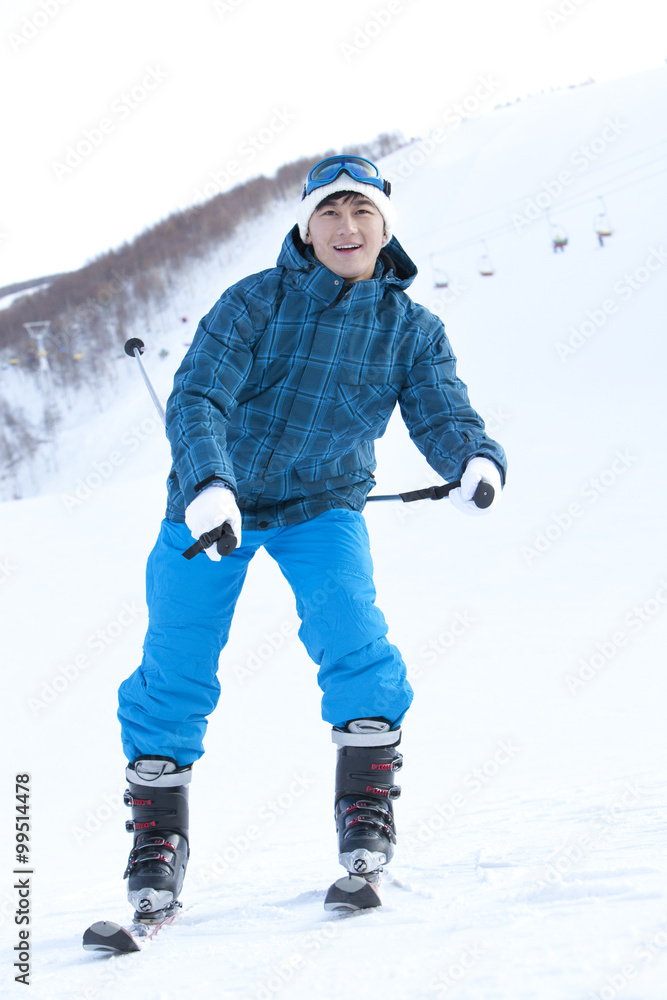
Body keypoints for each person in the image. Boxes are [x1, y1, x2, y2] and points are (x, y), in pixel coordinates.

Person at [117, 154, 507, 915]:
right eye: (328, 213)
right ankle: (157, 841)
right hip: (213, 509)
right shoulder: (254, 303)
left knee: (353, 634)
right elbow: (197, 396)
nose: (345, 227)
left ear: (384, 229)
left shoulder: (410, 331)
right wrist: (207, 484)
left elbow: (441, 409)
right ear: (306, 227)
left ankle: (364, 809)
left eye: (361, 213)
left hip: (321, 505)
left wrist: (473, 460)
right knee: (175, 665)